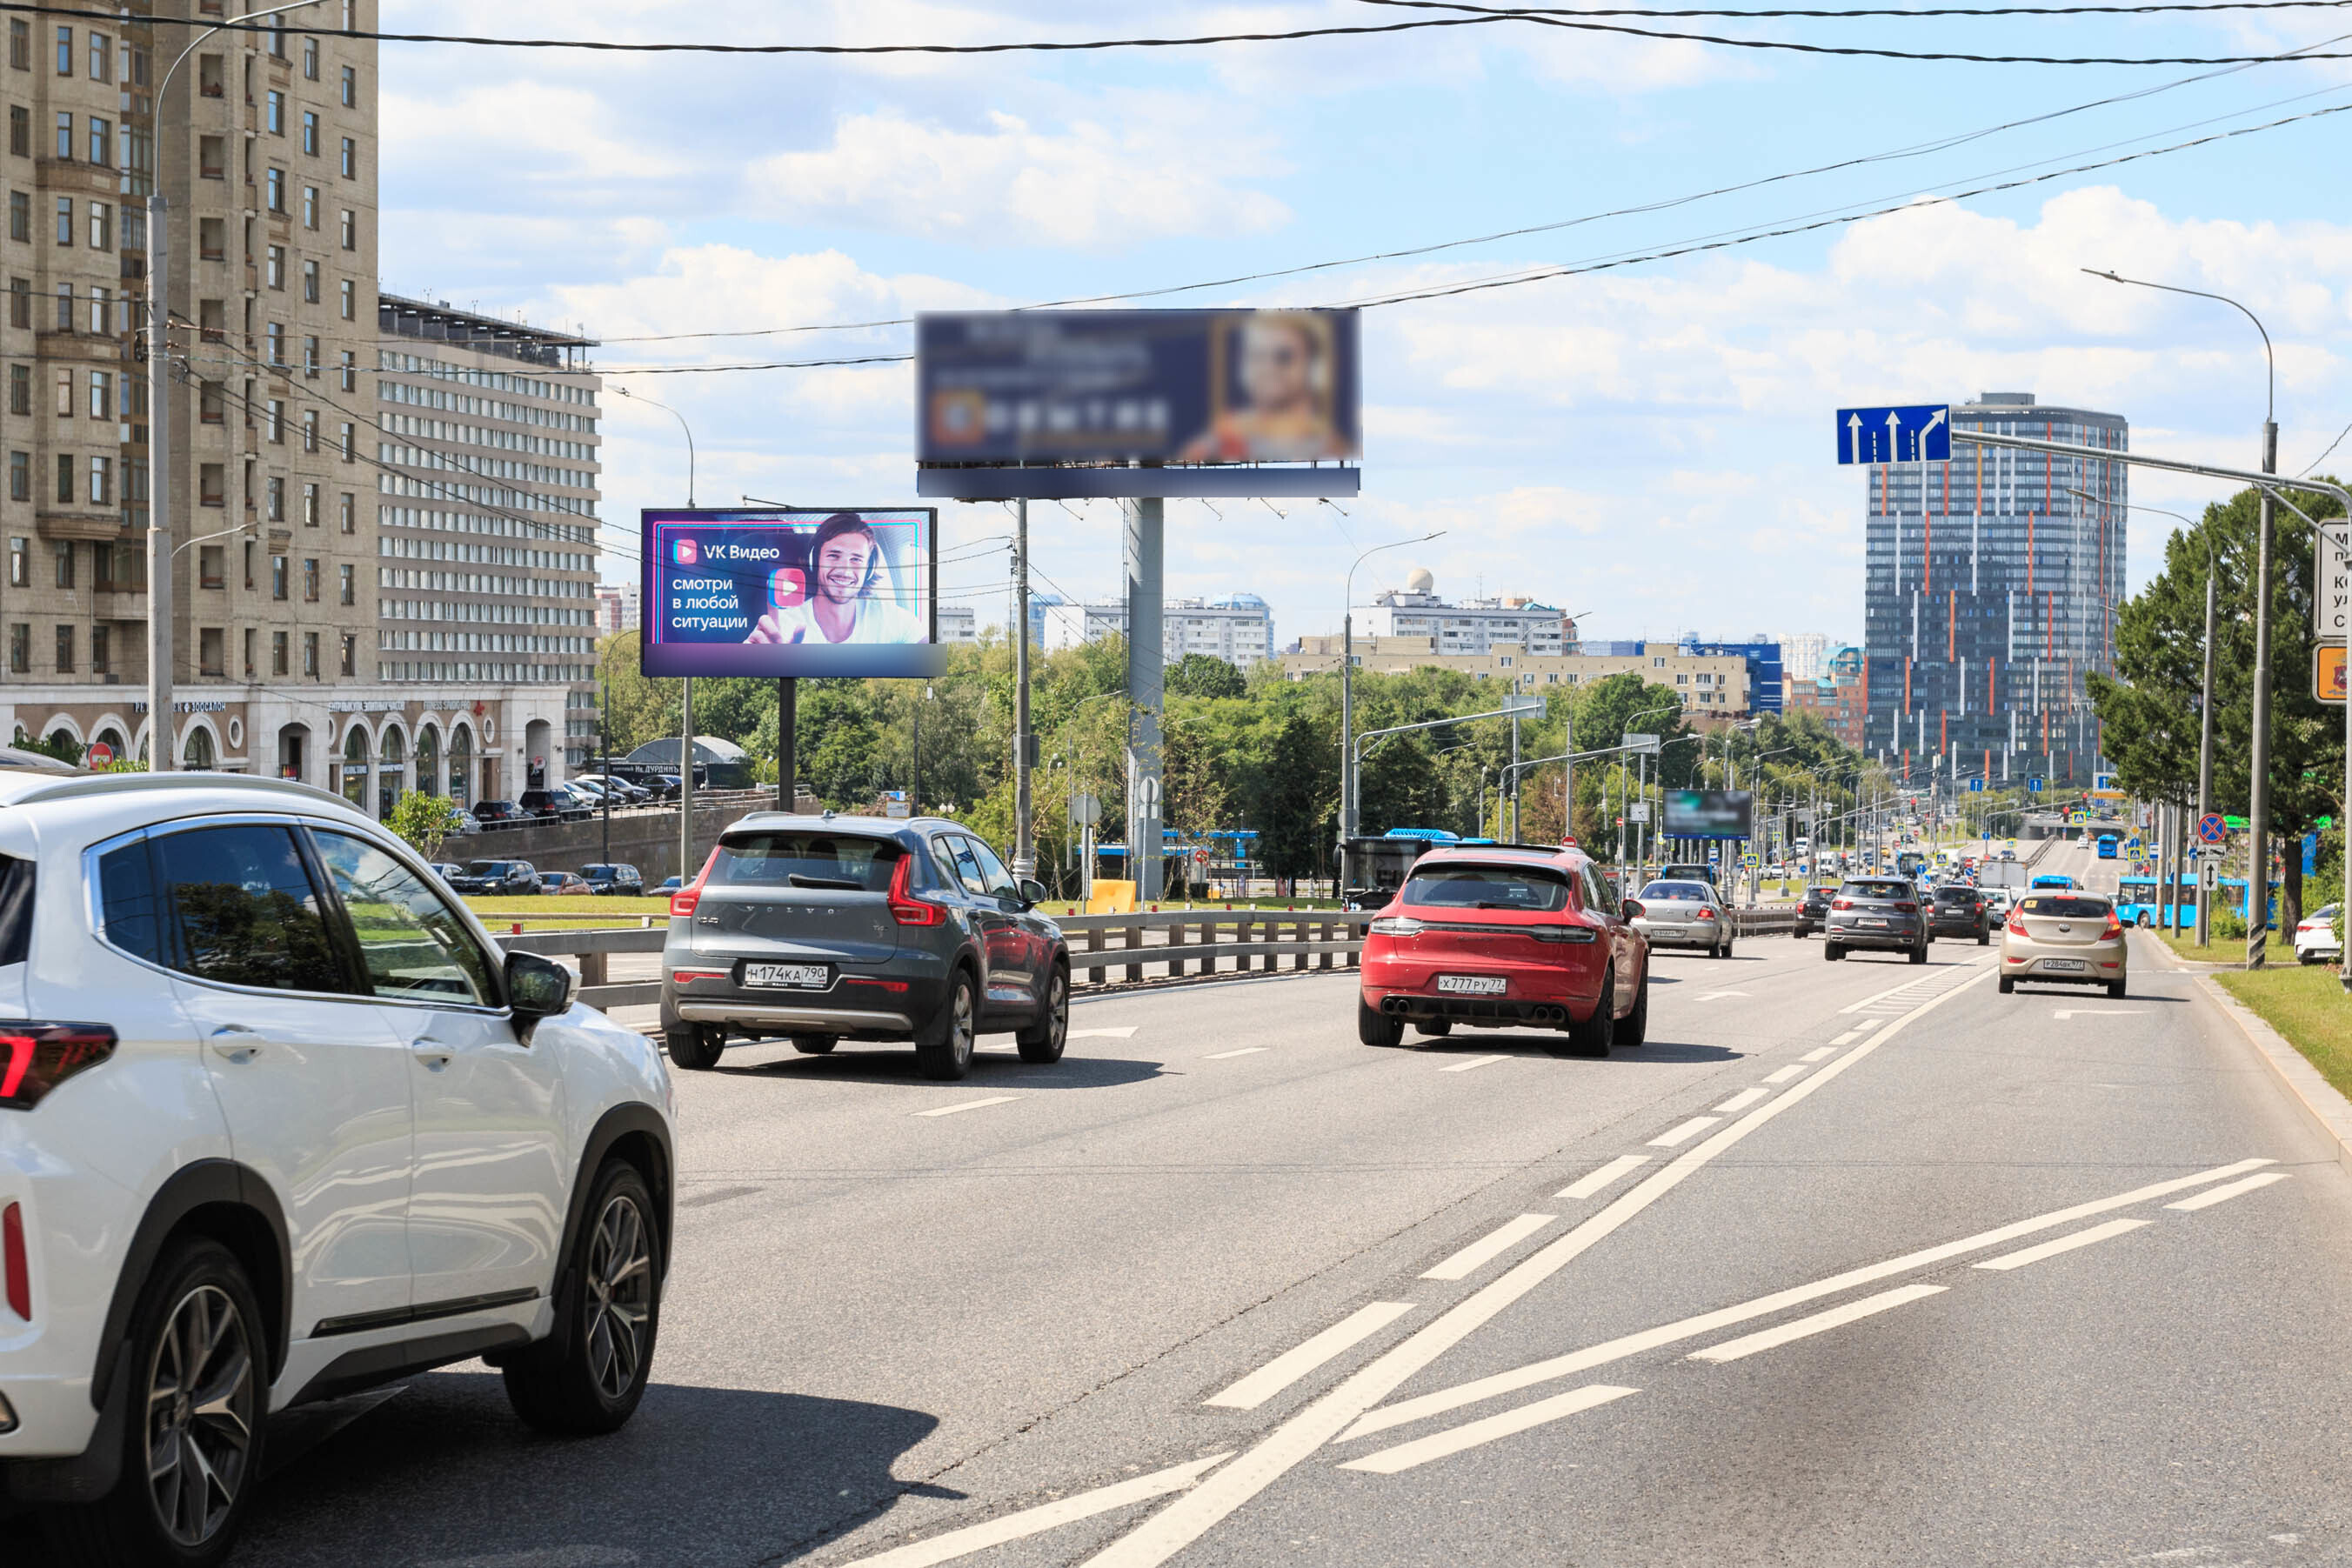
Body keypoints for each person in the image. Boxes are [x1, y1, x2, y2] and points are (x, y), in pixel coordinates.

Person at [1179, 313, 1350, 462]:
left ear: (1313, 365)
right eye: (1257, 356)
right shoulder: (1215, 442)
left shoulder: (1334, 449)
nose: (1268, 368)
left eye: (1284, 356)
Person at [745, 513, 924, 645]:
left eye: (856, 559)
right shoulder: (782, 626)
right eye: (834, 556)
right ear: (815, 561)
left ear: (869, 570)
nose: (845, 570)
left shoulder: (894, 620)